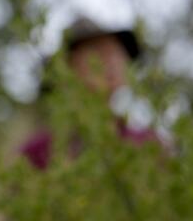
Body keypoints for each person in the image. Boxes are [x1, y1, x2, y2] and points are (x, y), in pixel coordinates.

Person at [20, 16, 157, 169]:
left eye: (116, 52)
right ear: (66, 68)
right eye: (98, 52)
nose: (111, 61)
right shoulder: (38, 153)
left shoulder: (148, 144)